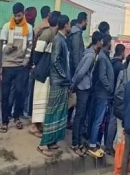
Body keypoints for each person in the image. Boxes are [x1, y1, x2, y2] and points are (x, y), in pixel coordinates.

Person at [37, 15, 71, 157]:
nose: (70, 26)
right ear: (66, 25)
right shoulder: (58, 40)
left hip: (61, 82)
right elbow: (55, 61)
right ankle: (43, 144)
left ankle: (52, 142)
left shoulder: (62, 39)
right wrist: (64, 76)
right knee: (53, 111)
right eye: (69, 24)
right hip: (58, 82)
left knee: (59, 112)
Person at [0, 2, 31, 132]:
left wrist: (26, 60)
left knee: (19, 92)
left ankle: (16, 117)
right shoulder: (7, 27)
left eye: (19, 15)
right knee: (5, 94)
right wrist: (8, 48)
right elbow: (2, 46)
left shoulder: (28, 28)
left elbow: (29, 47)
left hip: (21, 65)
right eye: (15, 16)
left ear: (23, 14)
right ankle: (5, 121)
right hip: (7, 64)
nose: (17, 18)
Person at [70, 32, 103, 156]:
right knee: (79, 116)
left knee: (81, 116)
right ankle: (75, 143)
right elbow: (80, 72)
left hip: (83, 87)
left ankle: (78, 142)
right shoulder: (90, 56)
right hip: (82, 88)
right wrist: (73, 86)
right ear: (99, 42)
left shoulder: (91, 53)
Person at [29, 9, 57, 138]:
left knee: (42, 100)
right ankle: (34, 126)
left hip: (45, 73)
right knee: (38, 99)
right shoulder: (47, 34)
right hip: (41, 72)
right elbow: (37, 51)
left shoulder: (53, 34)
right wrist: (39, 65)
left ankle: (39, 124)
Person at [87, 35, 115, 158]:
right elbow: (102, 76)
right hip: (103, 94)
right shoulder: (103, 57)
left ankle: (94, 143)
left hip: (104, 93)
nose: (111, 45)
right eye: (110, 43)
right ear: (106, 43)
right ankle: (92, 143)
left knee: (99, 119)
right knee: (98, 120)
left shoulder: (105, 55)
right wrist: (109, 88)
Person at [67, 12, 87, 79]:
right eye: (86, 21)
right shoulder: (76, 33)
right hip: (74, 68)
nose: (87, 23)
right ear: (83, 21)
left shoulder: (75, 31)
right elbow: (76, 52)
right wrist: (77, 70)